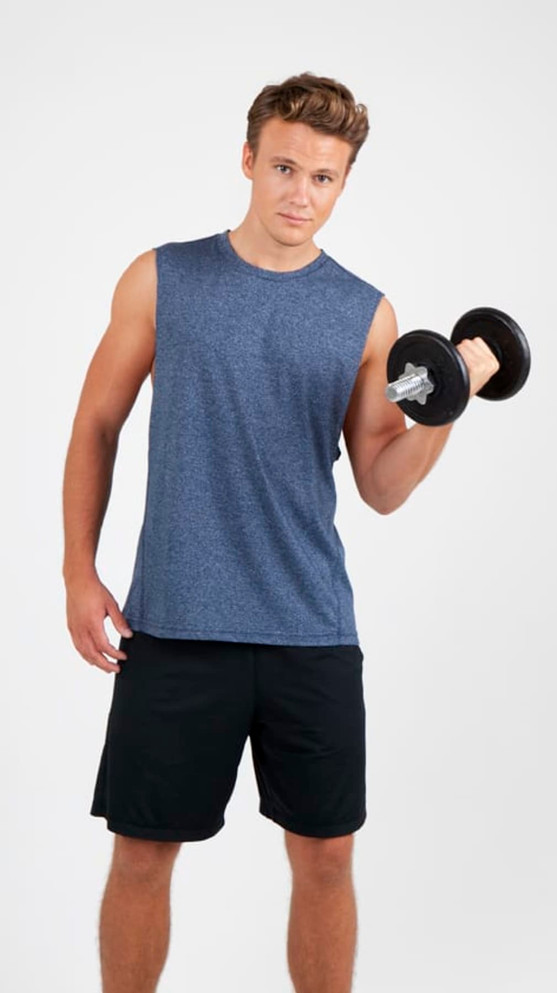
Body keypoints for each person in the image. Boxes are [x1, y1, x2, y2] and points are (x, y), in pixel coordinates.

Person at [62, 71, 499, 993]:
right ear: (250, 160)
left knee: (327, 861)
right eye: (287, 168)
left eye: (325, 178)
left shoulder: (364, 313)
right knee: (142, 857)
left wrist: (449, 402)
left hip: (309, 633)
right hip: (175, 627)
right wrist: (77, 571)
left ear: (345, 185)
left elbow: (381, 483)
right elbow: (96, 422)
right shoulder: (163, 278)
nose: (302, 194)